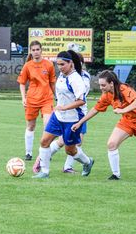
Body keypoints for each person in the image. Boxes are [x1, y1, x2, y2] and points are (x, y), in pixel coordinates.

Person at [71, 70, 136, 180]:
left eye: (103, 85)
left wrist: (123, 109)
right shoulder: (107, 95)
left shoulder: (124, 89)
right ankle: (116, 175)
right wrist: (80, 122)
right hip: (127, 122)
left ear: (111, 83)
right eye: (100, 85)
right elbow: (95, 109)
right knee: (111, 144)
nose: (101, 88)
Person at [32, 50, 94, 179]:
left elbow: (81, 100)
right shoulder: (61, 75)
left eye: (62, 64)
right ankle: (44, 172)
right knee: (44, 141)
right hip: (58, 116)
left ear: (70, 63)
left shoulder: (76, 79)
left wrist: (64, 107)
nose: (59, 67)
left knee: (70, 150)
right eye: (58, 64)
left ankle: (88, 162)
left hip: (73, 119)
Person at [17, 40, 56, 161]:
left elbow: (52, 83)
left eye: (37, 49)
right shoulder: (27, 65)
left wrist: (57, 97)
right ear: (30, 51)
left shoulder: (49, 64)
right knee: (31, 126)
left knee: (48, 126)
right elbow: (22, 83)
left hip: (47, 99)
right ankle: (28, 153)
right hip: (32, 100)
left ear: (41, 50)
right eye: (33, 50)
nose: (36, 52)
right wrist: (23, 98)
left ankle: (45, 153)